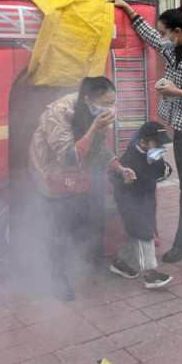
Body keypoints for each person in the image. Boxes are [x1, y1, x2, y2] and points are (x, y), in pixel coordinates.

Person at [111, 0, 182, 276]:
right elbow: (150, 36)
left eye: (165, 32)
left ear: (178, 32)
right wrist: (128, 10)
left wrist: (178, 92)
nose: (160, 37)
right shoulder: (173, 49)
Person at [29, 76, 136, 301]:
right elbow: (69, 158)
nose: (111, 109)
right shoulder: (58, 113)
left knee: (93, 214)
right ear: (88, 99)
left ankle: (90, 264)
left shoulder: (96, 113)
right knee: (59, 225)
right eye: (106, 103)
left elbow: (98, 147)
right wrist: (94, 127)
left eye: (113, 102)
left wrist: (119, 168)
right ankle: (57, 278)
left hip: (82, 170)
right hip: (54, 172)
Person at [110, 121, 174, 289]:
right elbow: (116, 179)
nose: (160, 146)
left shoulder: (153, 153)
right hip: (129, 202)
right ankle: (151, 274)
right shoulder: (130, 158)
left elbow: (165, 172)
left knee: (137, 235)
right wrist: (126, 180)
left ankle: (120, 263)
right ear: (143, 142)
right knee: (144, 234)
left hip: (146, 200)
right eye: (157, 143)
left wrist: (157, 162)